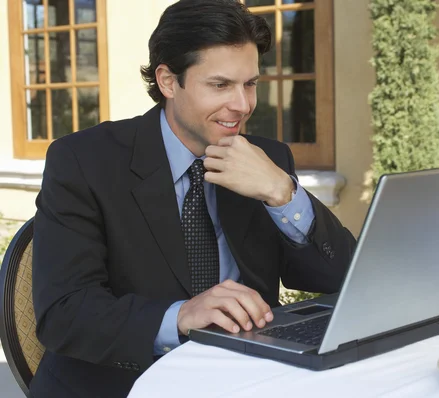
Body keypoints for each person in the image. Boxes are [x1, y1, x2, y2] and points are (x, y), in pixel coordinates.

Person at [29, 0, 357, 397]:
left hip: (246, 380)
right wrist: (180, 316)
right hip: (120, 383)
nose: (242, 105)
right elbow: (64, 313)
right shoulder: (83, 161)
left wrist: (282, 192)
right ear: (168, 81)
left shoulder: (266, 159)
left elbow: (339, 278)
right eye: (220, 85)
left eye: (250, 84)